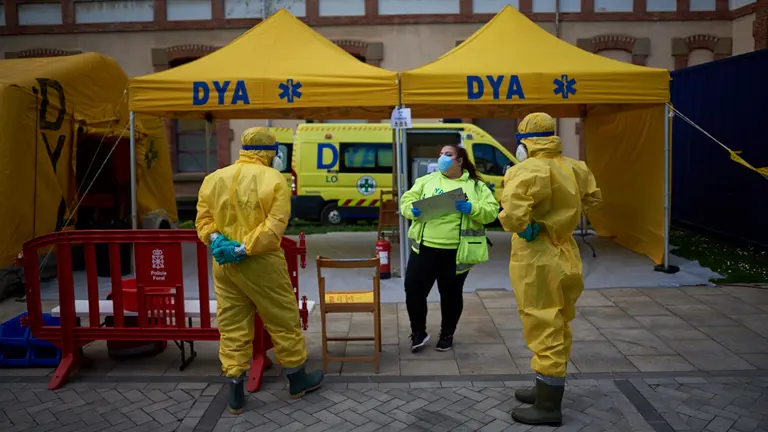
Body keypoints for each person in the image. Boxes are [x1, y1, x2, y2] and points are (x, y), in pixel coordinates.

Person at [195, 127, 323, 414]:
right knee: (282, 319)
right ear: (268, 151)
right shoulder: (274, 179)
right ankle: (297, 379)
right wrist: (244, 248)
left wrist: (218, 241)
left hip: (223, 265)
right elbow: (275, 225)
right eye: (275, 150)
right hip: (261, 264)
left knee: (232, 325)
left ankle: (235, 389)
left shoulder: (213, 179)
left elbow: (203, 220)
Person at [499, 113, 602, 426]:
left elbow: (513, 217)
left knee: (542, 322)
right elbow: (593, 201)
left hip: (537, 256)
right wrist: (564, 214)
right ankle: (543, 386)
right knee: (559, 320)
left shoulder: (524, 170)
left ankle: (548, 407)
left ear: (524, 141)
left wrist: (530, 226)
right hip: (567, 252)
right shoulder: (577, 167)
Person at [400, 144, 499, 353]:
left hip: (456, 252)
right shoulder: (427, 181)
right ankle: (418, 332)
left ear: (460, 160)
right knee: (414, 290)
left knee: (451, 295)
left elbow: (491, 212)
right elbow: (406, 200)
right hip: (424, 249)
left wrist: (473, 208)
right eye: (440, 154)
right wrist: (412, 209)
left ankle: (447, 334)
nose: (442, 157)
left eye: (448, 154)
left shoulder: (476, 186)